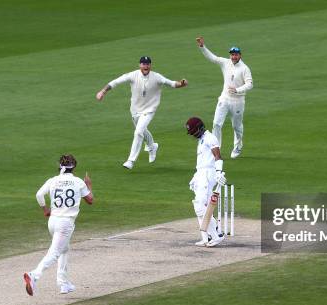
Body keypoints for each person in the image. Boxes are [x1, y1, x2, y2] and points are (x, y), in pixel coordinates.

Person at [96, 56, 188, 169]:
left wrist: (181, 83)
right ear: (140, 65)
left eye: (148, 64)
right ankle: (152, 146)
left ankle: (131, 160)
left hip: (149, 110)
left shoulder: (156, 77)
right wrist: (103, 91)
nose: (146, 66)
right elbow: (116, 82)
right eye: (143, 64)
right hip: (135, 110)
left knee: (138, 132)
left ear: (150, 65)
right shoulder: (133, 75)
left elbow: (172, 84)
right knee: (142, 130)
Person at [24, 154, 93, 296]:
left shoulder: (53, 180)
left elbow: (39, 195)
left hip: (53, 221)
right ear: (74, 167)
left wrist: (45, 210)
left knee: (64, 249)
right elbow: (90, 200)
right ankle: (34, 275)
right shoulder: (78, 182)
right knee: (55, 252)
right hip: (65, 223)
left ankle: (63, 283)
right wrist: (89, 185)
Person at [196, 36, 253, 159]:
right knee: (216, 123)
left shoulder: (245, 68)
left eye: (236, 54)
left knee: (236, 127)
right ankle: (216, 149)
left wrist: (237, 90)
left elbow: (250, 84)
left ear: (240, 55)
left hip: (238, 101)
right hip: (224, 99)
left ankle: (238, 146)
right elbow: (213, 58)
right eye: (232, 54)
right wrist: (202, 47)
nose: (234, 57)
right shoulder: (225, 63)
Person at [186, 117, 227, 247]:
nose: (193, 135)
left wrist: (219, 172)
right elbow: (202, 161)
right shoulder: (201, 140)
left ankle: (216, 235)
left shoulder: (210, 138)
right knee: (199, 205)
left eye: (194, 131)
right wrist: (195, 176)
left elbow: (218, 156)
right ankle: (207, 237)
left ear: (200, 127)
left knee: (200, 206)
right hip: (201, 174)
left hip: (208, 174)